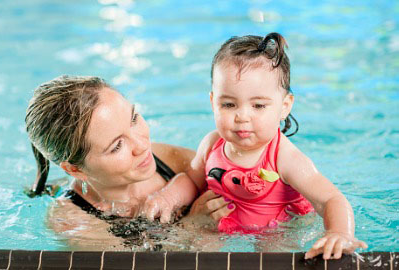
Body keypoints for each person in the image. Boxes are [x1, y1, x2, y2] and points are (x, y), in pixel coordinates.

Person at [141, 32, 368, 259]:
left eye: (258, 106)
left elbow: (330, 199)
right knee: (194, 253)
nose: (242, 116)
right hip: (220, 222)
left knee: (272, 255)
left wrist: (339, 233)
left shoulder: (284, 157)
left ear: (284, 106)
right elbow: (192, 179)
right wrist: (167, 197)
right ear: (213, 102)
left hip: (275, 229)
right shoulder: (212, 143)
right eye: (229, 104)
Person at [25, 75, 235, 250]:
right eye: (117, 146)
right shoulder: (75, 223)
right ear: (75, 169)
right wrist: (192, 227)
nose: (142, 146)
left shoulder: (168, 159)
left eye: (134, 119)